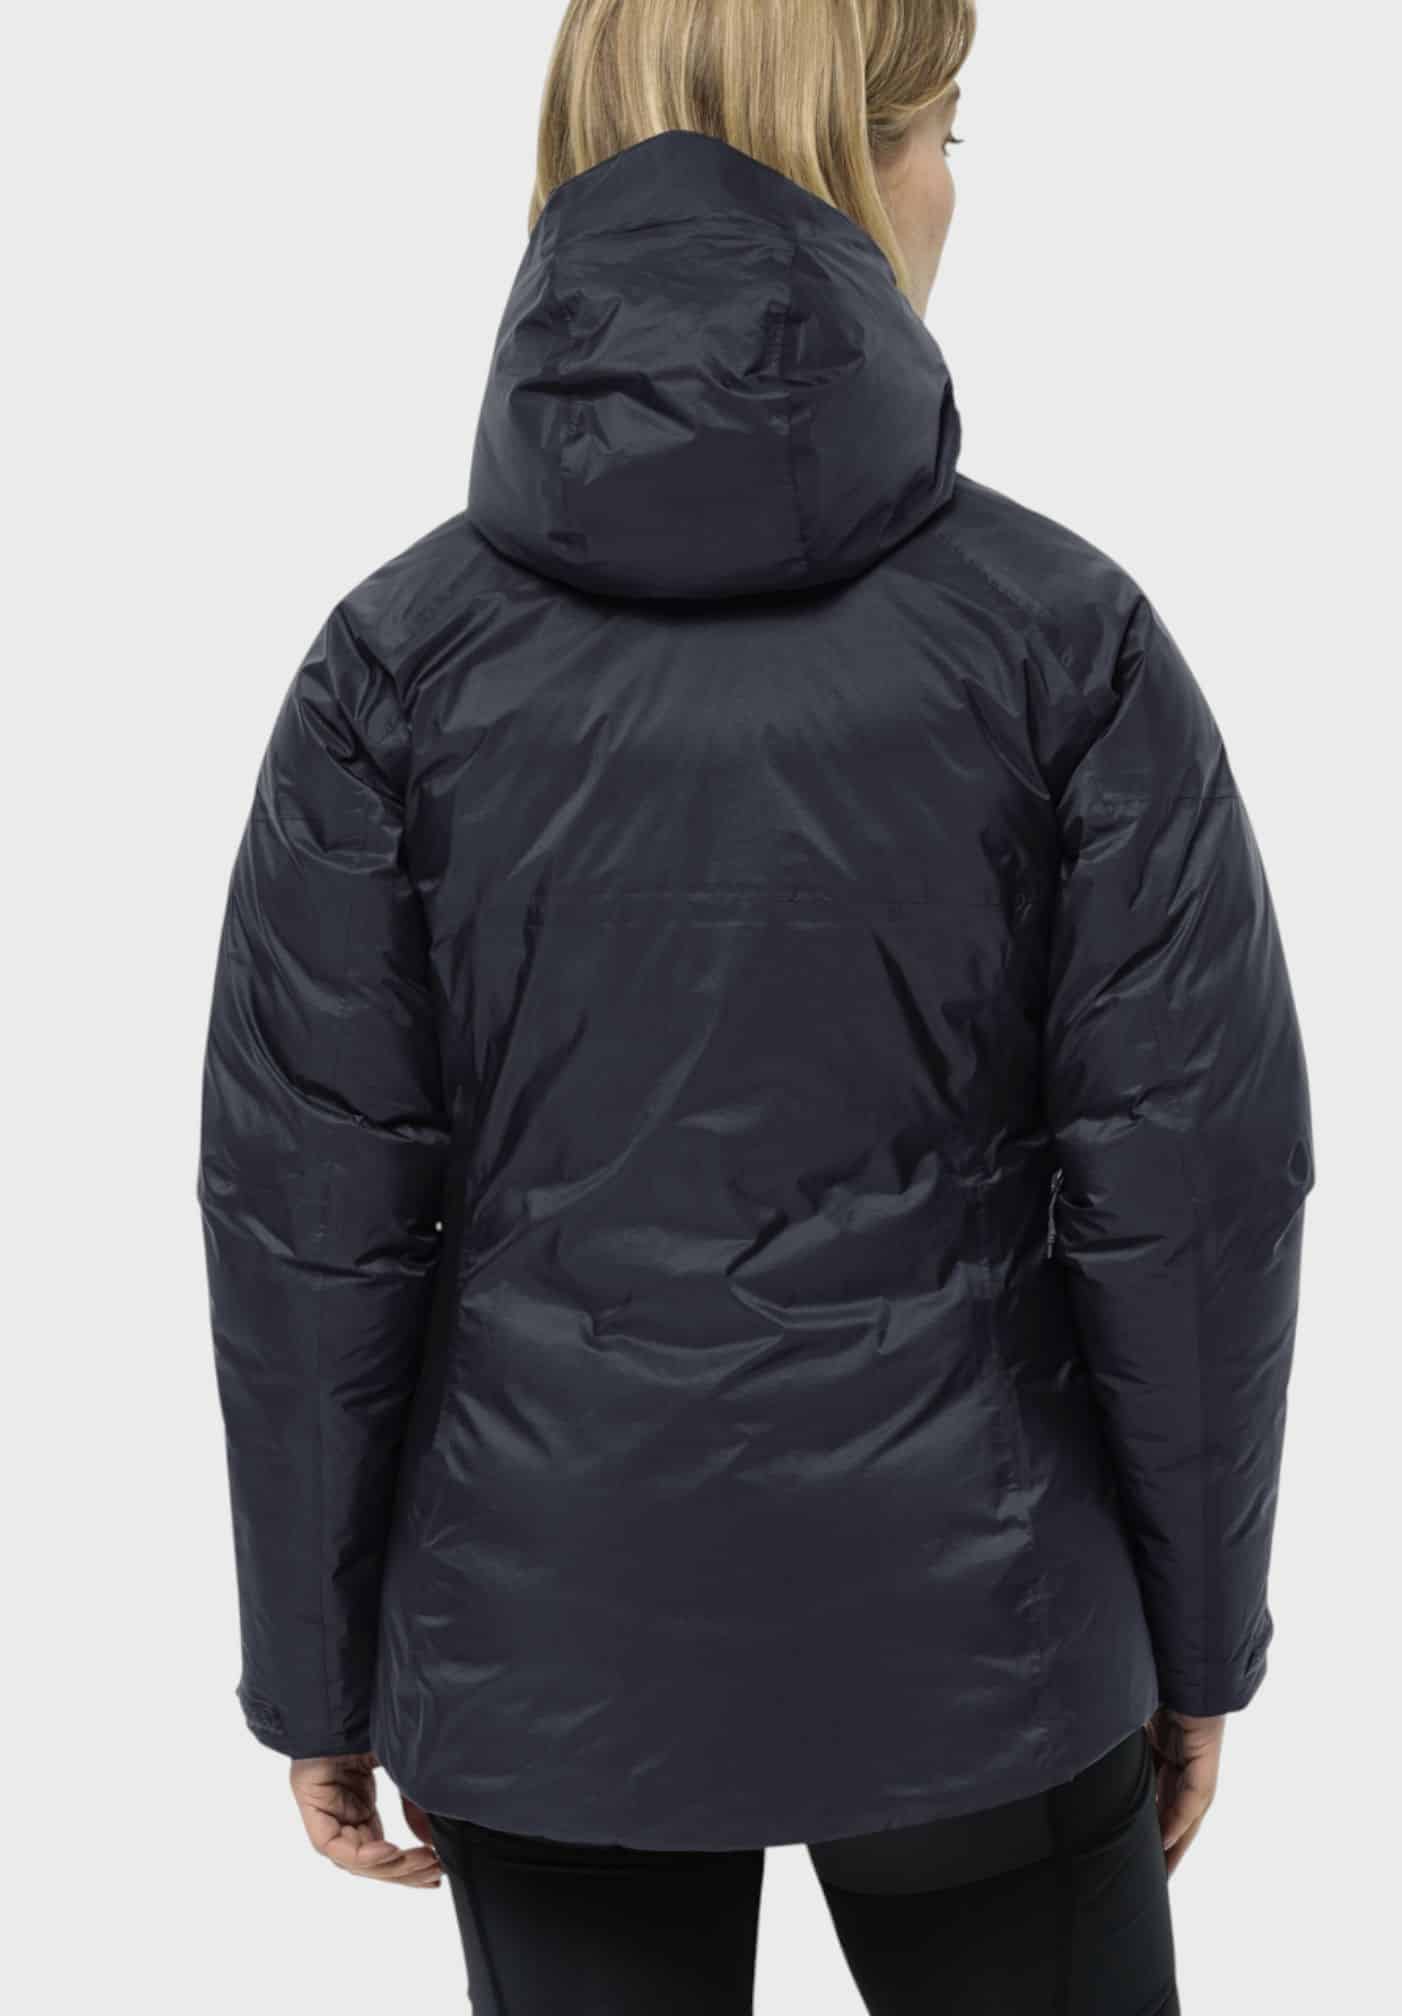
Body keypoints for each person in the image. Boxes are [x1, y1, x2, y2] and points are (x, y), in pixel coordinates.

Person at [195, 2, 1315, 2009]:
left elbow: (311, 1217)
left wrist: (319, 1665)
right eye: (948, 131)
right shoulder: (1065, 644)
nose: (957, 187)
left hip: (546, 1641)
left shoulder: (393, 669)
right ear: (851, 163)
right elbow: (1193, 1193)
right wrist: (1197, 1637)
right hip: (984, 1637)